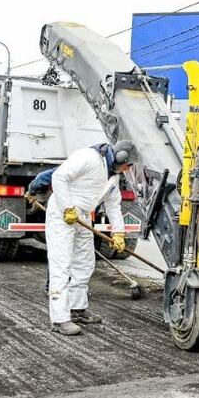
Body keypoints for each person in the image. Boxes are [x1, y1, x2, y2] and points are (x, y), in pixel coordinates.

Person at [45, 139, 135, 336]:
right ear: (120, 158)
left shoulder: (113, 177)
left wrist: (119, 233)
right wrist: (67, 207)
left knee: (85, 263)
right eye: (128, 165)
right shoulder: (88, 158)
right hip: (62, 213)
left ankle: (76, 309)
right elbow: (59, 177)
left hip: (83, 216)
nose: (128, 169)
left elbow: (113, 206)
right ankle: (59, 319)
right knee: (61, 264)